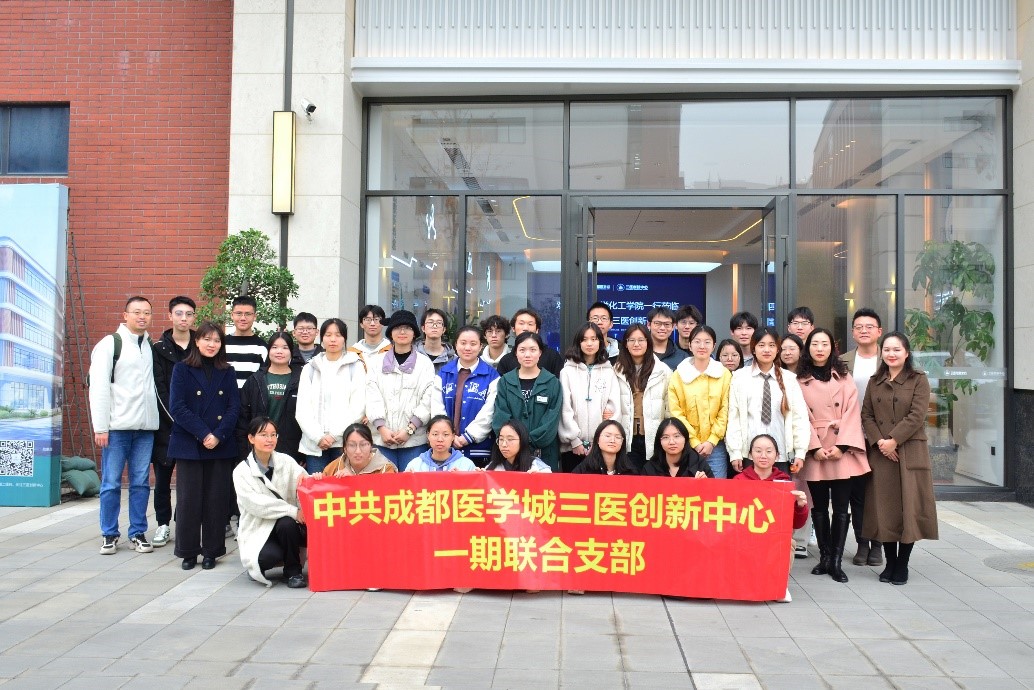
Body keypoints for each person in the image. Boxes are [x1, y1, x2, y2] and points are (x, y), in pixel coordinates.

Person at [861, 332, 938, 586]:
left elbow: (917, 415)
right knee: (885, 510)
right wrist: (880, 443)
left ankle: (902, 564)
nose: (891, 354)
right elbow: (866, 415)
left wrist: (894, 440)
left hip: (909, 451)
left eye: (896, 349)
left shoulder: (918, 379)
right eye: (887, 350)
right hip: (882, 454)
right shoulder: (875, 381)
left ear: (906, 353)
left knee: (909, 509)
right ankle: (890, 563)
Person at [726, 327, 811, 556]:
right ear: (753, 348)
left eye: (772, 345)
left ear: (778, 349)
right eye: (761, 345)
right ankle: (746, 553)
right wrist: (735, 452)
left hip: (779, 453)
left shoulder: (789, 379)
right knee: (748, 507)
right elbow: (734, 416)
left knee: (777, 510)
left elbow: (799, 417)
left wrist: (800, 451)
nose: (767, 350)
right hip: (750, 453)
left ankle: (776, 556)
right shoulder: (740, 377)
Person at [796, 328, 871, 584]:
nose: (820, 348)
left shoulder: (845, 377)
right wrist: (814, 447)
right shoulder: (799, 380)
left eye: (824, 344)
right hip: (815, 449)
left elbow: (853, 412)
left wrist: (842, 446)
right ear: (808, 348)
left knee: (840, 507)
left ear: (832, 347)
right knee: (818, 507)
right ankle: (825, 557)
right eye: (815, 344)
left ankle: (836, 561)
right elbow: (800, 416)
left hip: (842, 449)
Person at [89, 296, 160, 555]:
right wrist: (100, 427)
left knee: (141, 483)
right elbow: (98, 387)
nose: (142, 317)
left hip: (145, 429)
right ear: (125, 315)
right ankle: (109, 534)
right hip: (116, 428)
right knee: (111, 482)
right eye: (137, 312)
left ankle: (137, 532)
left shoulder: (150, 346)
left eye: (147, 313)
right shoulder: (110, 344)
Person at [168, 321, 240, 570]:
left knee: (215, 500)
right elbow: (177, 407)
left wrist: (218, 435)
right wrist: (203, 433)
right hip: (190, 443)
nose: (212, 344)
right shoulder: (182, 369)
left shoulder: (227, 371)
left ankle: (212, 551)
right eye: (207, 339)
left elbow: (233, 407)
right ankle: (188, 551)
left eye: (217, 340)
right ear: (197, 341)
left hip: (220, 444)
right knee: (188, 500)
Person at [233, 416, 309, 588]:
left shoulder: (286, 461)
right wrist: (293, 511)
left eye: (273, 435)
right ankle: (262, 562)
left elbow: (304, 482)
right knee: (265, 558)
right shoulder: (241, 472)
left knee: (287, 523)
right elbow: (257, 504)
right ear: (251, 438)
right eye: (263, 435)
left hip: (286, 526)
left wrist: (310, 478)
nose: (270, 439)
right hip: (259, 526)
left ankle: (293, 572)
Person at [733, 434, 810, 603]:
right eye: (758, 451)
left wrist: (800, 506)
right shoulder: (739, 480)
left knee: (789, 542)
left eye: (769, 451)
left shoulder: (784, 483)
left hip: (772, 537)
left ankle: (779, 586)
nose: (763, 455)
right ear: (750, 454)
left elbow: (796, 523)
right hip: (745, 535)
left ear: (777, 456)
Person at [367, 309, 444, 469]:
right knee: (385, 483)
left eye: (407, 328)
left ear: (414, 333)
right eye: (397, 328)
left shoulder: (424, 364)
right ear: (390, 333)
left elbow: (428, 399)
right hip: (382, 439)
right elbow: (372, 396)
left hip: (414, 441)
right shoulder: (376, 362)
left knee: (412, 483)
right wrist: (382, 428)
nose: (402, 332)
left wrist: (410, 429)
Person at [151, 295, 196, 548]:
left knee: (190, 481)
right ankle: (163, 524)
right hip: (166, 426)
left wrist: (194, 424)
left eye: (188, 314)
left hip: (195, 427)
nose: (183, 319)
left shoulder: (200, 345)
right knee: (163, 479)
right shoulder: (159, 349)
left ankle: (184, 522)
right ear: (170, 316)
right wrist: (178, 418)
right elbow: (159, 388)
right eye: (179, 313)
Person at [841, 308, 884, 567]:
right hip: (853, 436)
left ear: (879, 331)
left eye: (869, 326)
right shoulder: (843, 361)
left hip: (881, 438)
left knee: (878, 493)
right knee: (857, 494)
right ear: (853, 332)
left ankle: (877, 545)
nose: (864, 330)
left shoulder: (889, 358)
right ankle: (862, 543)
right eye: (859, 327)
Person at [297, 318, 367, 474]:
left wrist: (334, 435)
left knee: (344, 487)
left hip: (344, 442)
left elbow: (358, 407)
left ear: (345, 339)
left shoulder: (355, 366)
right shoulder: (310, 368)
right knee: (318, 486)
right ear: (321, 338)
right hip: (315, 444)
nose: (333, 339)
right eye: (328, 335)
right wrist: (318, 437)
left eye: (338, 335)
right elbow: (302, 409)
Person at [667, 324, 732, 478]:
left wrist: (712, 440)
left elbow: (726, 409)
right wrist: (694, 441)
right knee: (686, 489)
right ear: (690, 345)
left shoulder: (724, 374)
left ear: (714, 346)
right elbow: (676, 412)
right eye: (697, 341)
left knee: (716, 489)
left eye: (707, 342)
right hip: (685, 445)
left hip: (716, 446)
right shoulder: (678, 375)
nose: (702, 346)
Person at [492, 331, 563, 471]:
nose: (527, 355)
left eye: (533, 350)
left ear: (540, 352)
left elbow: (551, 419)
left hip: (544, 452)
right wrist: (513, 441)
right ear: (516, 353)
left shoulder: (552, 382)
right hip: (511, 453)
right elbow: (501, 415)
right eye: (522, 350)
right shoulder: (505, 381)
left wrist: (527, 441)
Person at [559, 322, 622, 473]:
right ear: (578, 342)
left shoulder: (608, 371)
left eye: (594, 339)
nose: (589, 344)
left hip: (601, 447)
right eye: (585, 339)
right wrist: (574, 440)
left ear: (600, 342)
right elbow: (565, 407)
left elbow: (613, 407)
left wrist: (601, 440)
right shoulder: (567, 371)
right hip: (572, 447)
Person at [237, 331, 303, 465]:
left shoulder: (302, 380)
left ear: (291, 351)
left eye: (285, 348)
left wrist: (302, 454)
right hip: (259, 449)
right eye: (275, 347)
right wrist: (245, 451)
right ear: (268, 351)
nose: (279, 351)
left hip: (290, 449)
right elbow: (243, 417)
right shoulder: (255, 380)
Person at [439, 326, 499, 467]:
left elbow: (489, 411)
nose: (467, 348)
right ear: (456, 345)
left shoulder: (492, 376)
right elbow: (437, 408)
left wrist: (469, 436)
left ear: (480, 346)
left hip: (479, 450)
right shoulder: (443, 373)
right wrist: (447, 435)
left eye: (473, 344)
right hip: (446, 448)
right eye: (463, 343)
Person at [614, 324, 672, 470]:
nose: (636, 344)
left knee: (653, 478)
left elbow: (669, 407)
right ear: (625, 344)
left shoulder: (662, 371)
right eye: (631, 340)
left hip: (653, 435)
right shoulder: (616, 370)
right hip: (627, 435)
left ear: (648, 342)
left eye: (641, 340)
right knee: (630, 478)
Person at [496, 308, 564, 378]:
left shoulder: (552, 357)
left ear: (537, 330)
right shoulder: (506, 360)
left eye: (530, 324)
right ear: (513, 328)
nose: (525, 328)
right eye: (521, 323)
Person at [641, 417, 713, 478]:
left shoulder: (699, 464)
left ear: (685, 438)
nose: (671, 442)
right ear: (659, 441)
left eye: (676, 436)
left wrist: (705, 483)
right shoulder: (650, 468)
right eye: (666, 437)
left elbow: (714, 488)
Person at [319, 423, 398, 476]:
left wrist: (354, 480)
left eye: (363, 445)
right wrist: (318, 480)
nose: (358, 451)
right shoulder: (333, 468)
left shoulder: (385, 469)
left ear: (371, 446)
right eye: (352, 445)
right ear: (345, 448)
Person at [224, 295, 267, 389]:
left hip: (252, 397)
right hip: (226, 397)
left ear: (254, 316)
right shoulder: (222, 344)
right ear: (232, 315)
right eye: (239, 313)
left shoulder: (262, 347)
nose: (243, 318)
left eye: (248, 314)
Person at [405, 416, 477, 472]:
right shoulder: (415, 465)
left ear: (453, 436)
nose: (440, 439)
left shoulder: (466, 465)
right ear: (428, 435)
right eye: (435, 434)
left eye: (446, 435)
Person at [570, 420, 637, 475]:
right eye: (607, 436)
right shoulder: (584, 470)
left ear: (622, 442)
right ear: (597, 439)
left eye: (618, 437)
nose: (612, 440)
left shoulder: (630, 471)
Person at [484, 419, 552, 472]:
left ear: (522, 441)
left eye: (510, 439)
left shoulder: (537, 467)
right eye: (501, 439)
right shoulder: (493, 467)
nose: (504, 444)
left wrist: (539, 479)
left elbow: (550, 482)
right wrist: (480, 476)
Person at [415, 307, 456, 372]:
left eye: (439, 323)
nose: (434, 326)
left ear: (444, 329)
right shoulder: (413, 356)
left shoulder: (453, 359)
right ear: (423, 328)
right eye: (430, 322)